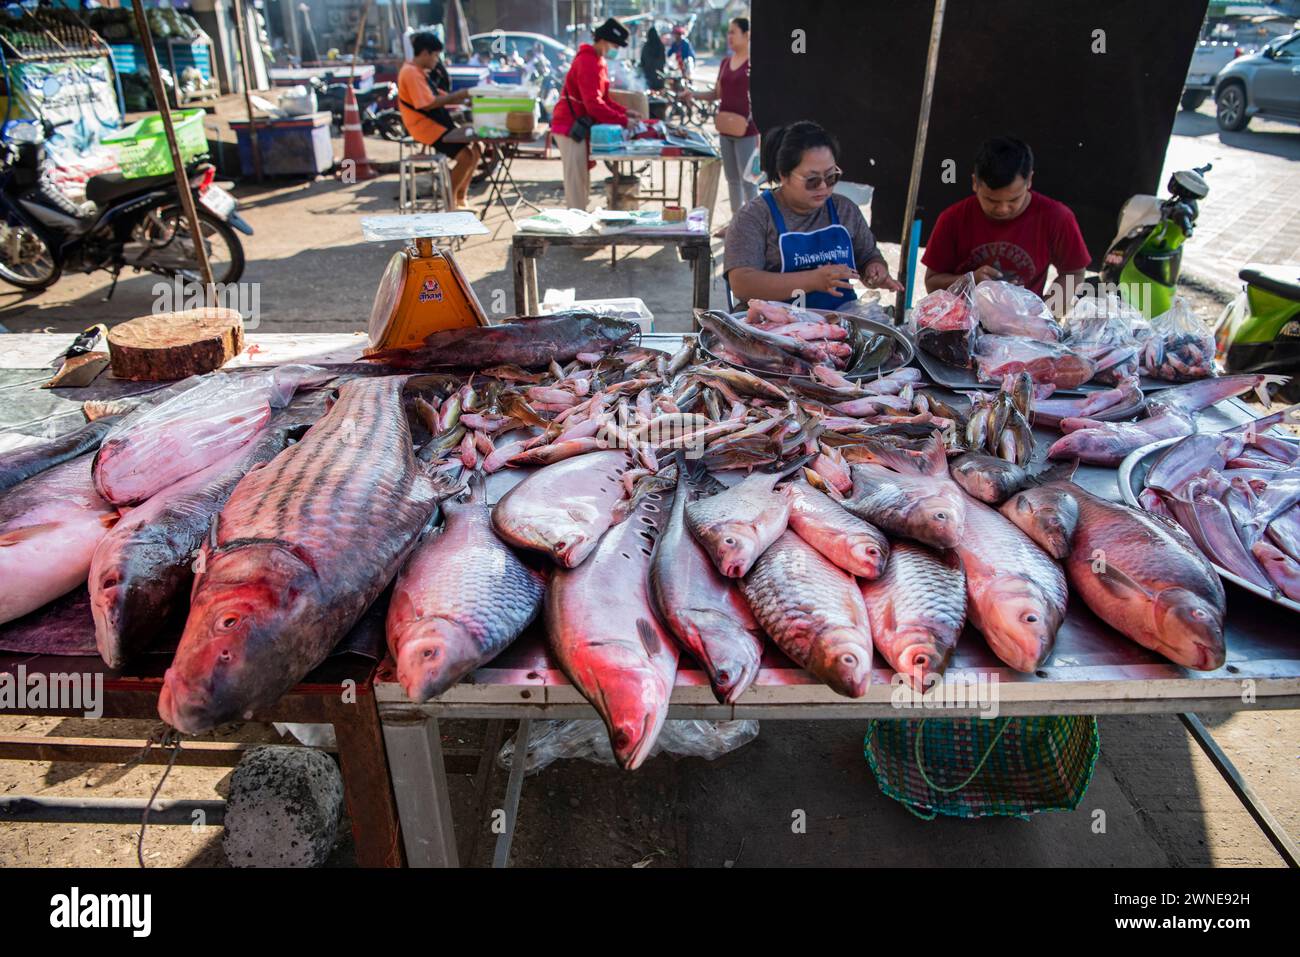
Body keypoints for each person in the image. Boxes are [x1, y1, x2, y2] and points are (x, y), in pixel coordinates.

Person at [725, 120, 903, 310]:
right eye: (812, 180)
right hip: (772, 325)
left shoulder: (845, 210)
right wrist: (813, 280)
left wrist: (875, 270)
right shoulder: (755, 217)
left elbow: (868, 256)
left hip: (839, 321)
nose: (823, 187)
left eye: (831, 176)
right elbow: (742, 284)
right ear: (783, 175)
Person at [922, 136, 1091, 311]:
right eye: (991, 200)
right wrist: (970, 280)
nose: (1003, 209)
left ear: (1029, 181)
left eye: (1014, 199)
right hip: (963, 324)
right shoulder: (952, 218)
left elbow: (1074, 273)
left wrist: (1041, 316)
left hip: (1024, 329)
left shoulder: (1057, 217)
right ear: (975, 183)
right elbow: (932, 282)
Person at [550, 17, 642, 211]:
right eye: (615, 44)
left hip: (579, 126)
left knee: (582, 181)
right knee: (576, 184)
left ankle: (581, 221)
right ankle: (577, 231)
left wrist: (626, 112)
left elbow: (604, 100)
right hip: (569, 126)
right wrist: (624, 120)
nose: (615, 48)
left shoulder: (599, 61)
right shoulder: (587, 61)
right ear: (603, 40)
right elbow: (594, 105)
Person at [684, 17, 757, 231]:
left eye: (734, 32)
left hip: (748, 131)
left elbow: (764, 96)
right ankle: (736, 225)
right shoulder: (725, 62)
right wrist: (693, 94)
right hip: (725, 128)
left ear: (747, 34)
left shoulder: (754, 64)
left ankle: (753, 227)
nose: (730, 37)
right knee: (732, 180)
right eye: (729, 32)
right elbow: (717, 94)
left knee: (749, 182)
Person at [397, 31, 482, 211]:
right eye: (436, 55)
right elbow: (426, 104)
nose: (437, 60)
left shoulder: (420, 72)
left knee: (477, 148)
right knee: (466, 157)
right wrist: (458, 95)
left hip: (437, 124)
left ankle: (461, 196)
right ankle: (450, 203)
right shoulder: (411, 73)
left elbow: (437, 95)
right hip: (426, 127)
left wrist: (462, 99)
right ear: (425, 53)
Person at [641, 26, 667, 91]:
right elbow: (663, 61)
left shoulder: (647, 46)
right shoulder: (660, 45)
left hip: (649, 77)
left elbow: (643, 61)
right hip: (659, 76)